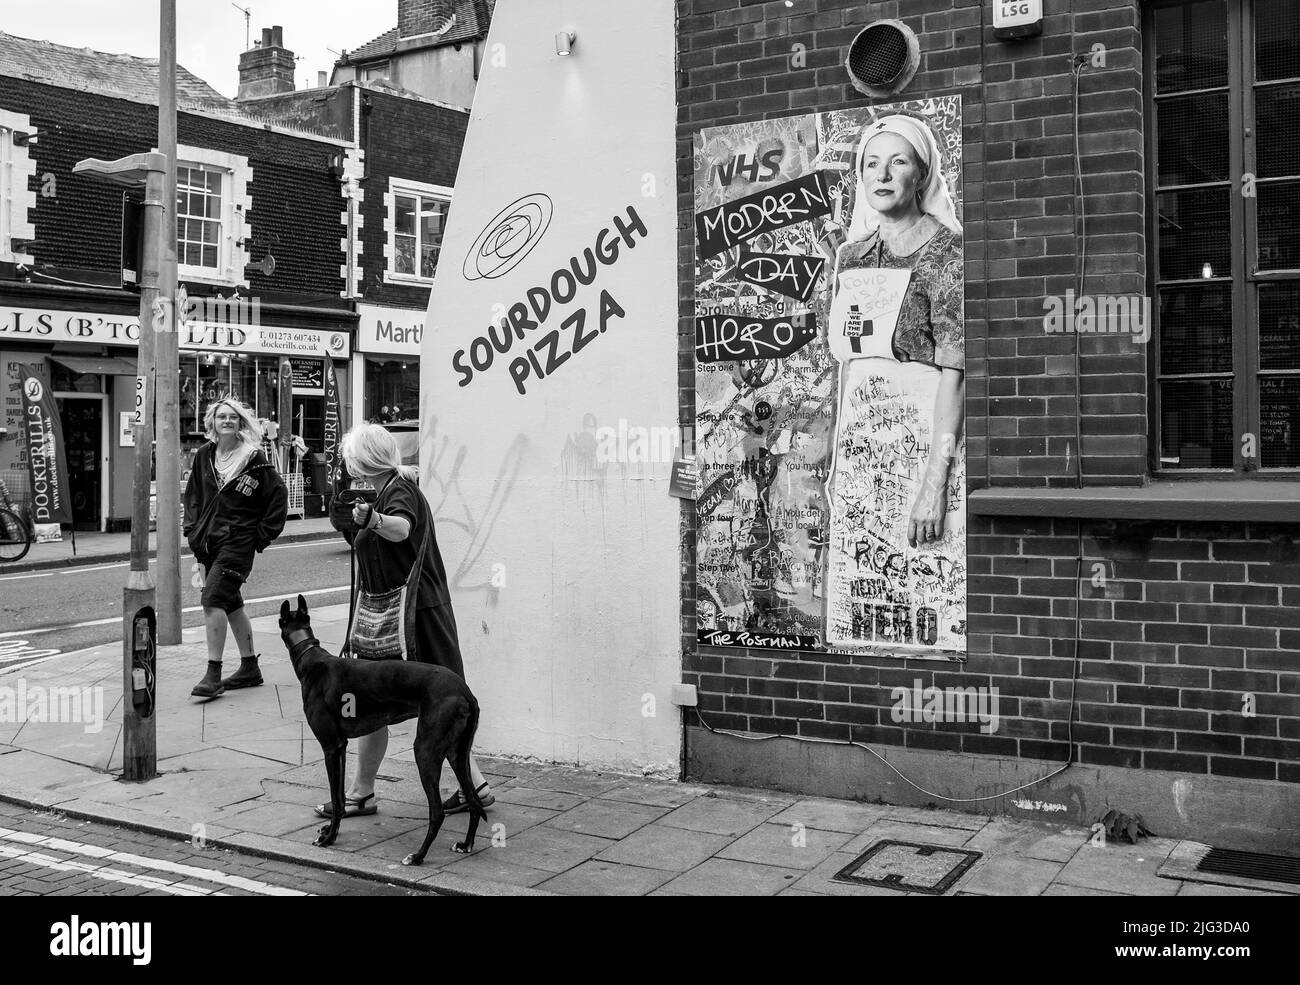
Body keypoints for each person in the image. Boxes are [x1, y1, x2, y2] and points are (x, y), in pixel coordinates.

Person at [315, 422, 494, 820]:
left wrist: (374, 520)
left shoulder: (399, 493)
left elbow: (401, 529)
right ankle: (466, 788)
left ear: (362, 458)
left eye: (350, 456)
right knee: (378, 701)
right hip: (397, 619)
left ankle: (366, 793)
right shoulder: (385, 491)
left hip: (414, 621)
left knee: (433, 703)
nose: (347, 463)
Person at [833, 112, 965, 546]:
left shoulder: (946, 253)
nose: (883, 175)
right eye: (872, 163)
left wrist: (934, 484)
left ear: (922, 174)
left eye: (898, 162)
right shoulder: (851, 258)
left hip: (922, 445)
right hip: (861, 444)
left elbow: (956, 373)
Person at [184, 396, 288, 698]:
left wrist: (260, 536)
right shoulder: (204, 454)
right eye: (221, 417)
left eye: (232, 417)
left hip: (238, 543)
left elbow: (278, 498)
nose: (227, 421)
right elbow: (192, 495)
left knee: (213, 599)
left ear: (241, 423)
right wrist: (191, 531)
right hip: (207, 542)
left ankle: (212, 674)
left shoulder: (255, 460)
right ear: (212, 423)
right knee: (231, 603)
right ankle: (249, 667)